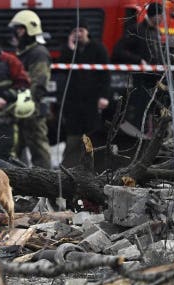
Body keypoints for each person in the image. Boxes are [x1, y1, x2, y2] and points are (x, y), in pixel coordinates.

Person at [57, 21, 111, 168]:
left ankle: (96, 164)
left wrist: (104, 96)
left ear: (87, 32)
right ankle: (68, 164)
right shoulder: (69, 50)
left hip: (92, 99)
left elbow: (106, 74)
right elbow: (61, 70)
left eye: (80, 30)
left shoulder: (98, 48)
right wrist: (70, 48)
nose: (78, 34)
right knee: (72, 134)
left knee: (92, 132)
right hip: (73, 100)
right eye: (74, 31)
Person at [112, 2, 165, 136]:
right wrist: (138, 60)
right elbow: (118, 51)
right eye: (160, 15)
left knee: (154, 109)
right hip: (141, 80)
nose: (162, 19)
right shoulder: (136, 30)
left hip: (156, 79)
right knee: (139, 110)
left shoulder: (157, 32)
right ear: (154, 15)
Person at [8, 10, 53, 169]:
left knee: (39, 151)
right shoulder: (22, 52)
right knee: (13, 150)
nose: (17, 33)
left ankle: (47, 185)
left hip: (31, 110)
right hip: (18, 109)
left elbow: (39, 82)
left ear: (30, 30)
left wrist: (27, 104)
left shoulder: (38, 53)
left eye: (20, 29)